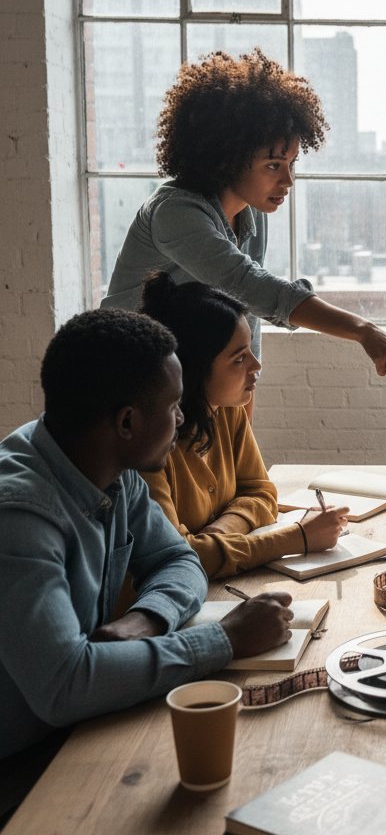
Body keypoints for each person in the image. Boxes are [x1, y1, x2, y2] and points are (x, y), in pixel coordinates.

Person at [0, 309, 293, 796]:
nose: (182, 419)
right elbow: (64, 685)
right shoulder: (19, 517)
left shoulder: (111, 464)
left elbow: (177, 561)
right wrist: (224, 641)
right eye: (175, 405)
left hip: (77, 729)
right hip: (21, 766)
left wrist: (149, 618)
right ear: (129, 422)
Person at [101, 48, 386, 392]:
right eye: (274, 165)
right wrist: (364, 330)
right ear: (226, 158)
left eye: (291, 163)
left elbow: (245, 319)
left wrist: (245, 417)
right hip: (118, 376)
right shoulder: (174, 213)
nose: (288, 180)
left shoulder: (252, 214)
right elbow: (250, 286)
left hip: (179, 379)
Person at [136, 273, 348, 577]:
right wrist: (297, 537)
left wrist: (218, 532)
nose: (256, 366)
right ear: (194, 369)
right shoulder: (147, 445)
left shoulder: (226, 408)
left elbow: (261, 493)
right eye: (239, 358)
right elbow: (180, 560)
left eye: (250, 350)